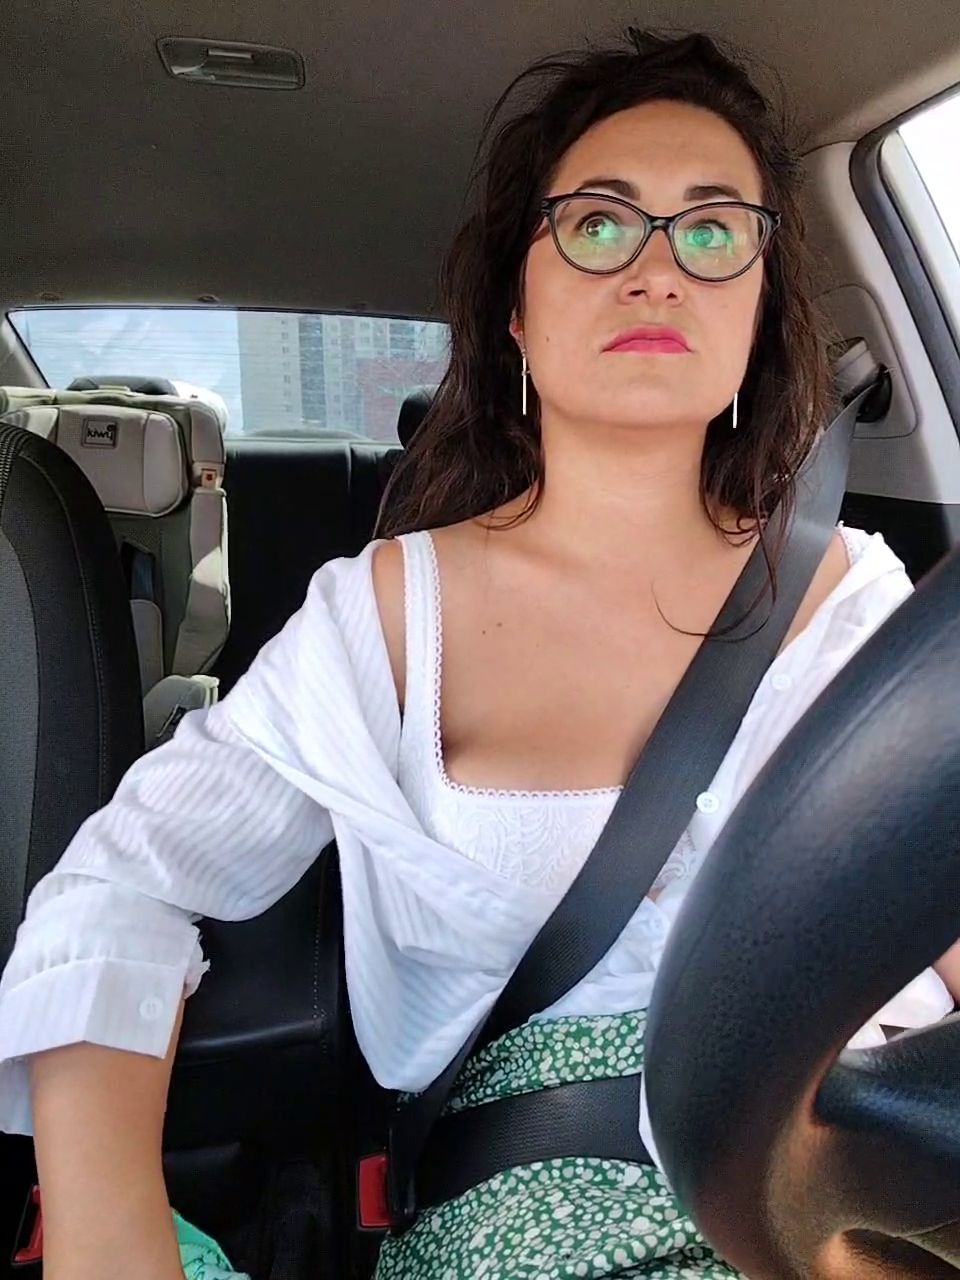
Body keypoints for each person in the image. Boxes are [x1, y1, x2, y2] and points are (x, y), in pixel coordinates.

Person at [2, 27, 958, 1280]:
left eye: (713, 230)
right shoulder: (387, 618)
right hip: (524, 1211)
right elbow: (124, 880)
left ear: (759, 311)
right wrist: (105, 1215)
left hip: (860, 1195)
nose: (658, 269)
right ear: (516, 310)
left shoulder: (862, 605)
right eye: (598, 224)